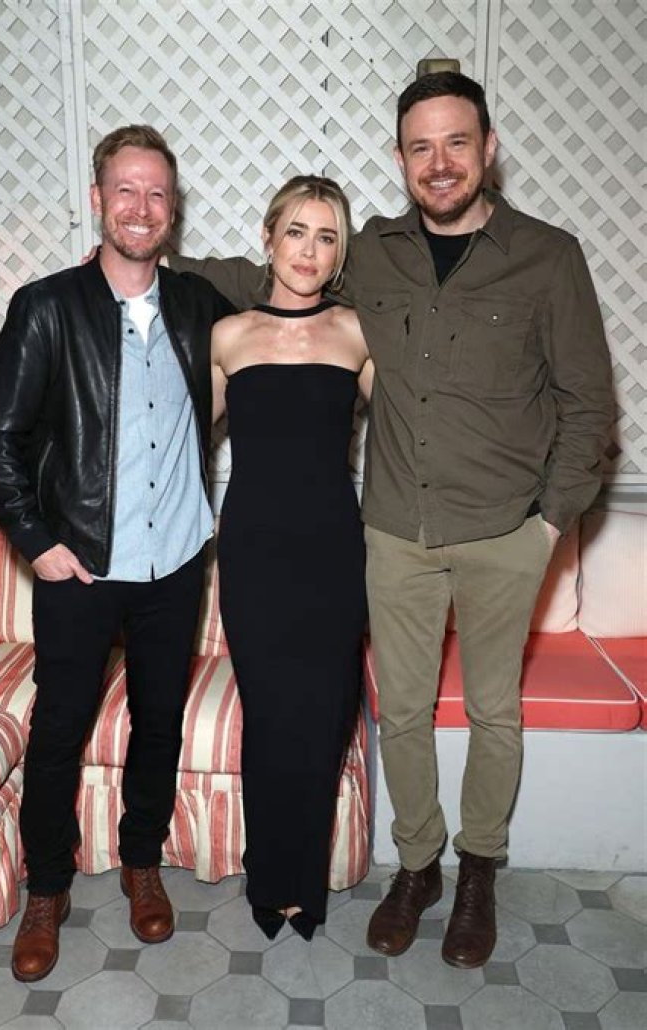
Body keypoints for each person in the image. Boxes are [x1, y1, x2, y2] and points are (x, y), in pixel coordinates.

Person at [166, 71, 613, 966]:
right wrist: (151, 263)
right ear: (401, 158)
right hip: (395, 532)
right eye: (420, 147)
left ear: (489, 149)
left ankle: (478, 868)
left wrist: (548, 526)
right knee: (401, 713)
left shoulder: (548, 256)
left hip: (503, 530)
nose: (439, 162)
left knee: (494, 712)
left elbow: (590, 406)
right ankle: (417, 868)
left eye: (457, 142)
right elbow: (265, 278)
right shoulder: (376, 253)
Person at [0, 125, 233, 982]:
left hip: (175, 564)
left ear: (173, 209)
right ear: (97, 199)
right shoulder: (46, 306)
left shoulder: (199, 306)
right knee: (59, 730)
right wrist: (35, 541)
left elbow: (277, 330)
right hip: (79, 564)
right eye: (126, 189)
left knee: (158, 722)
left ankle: (141, 862)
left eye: (157, 193)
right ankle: (46, 887)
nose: (141, 207)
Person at [212, 175, 372, 939]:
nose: (309, 251)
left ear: (339, 253)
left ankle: (305, 884)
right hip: (253, 553)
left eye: (326, 236)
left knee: (324, 717)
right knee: (271, 716)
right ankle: (268, 876)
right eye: (297, 232)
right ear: (270, 238)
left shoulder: (357, 333)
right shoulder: (229, 336)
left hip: (333, 553)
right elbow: (173, 436)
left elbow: (419, 433)